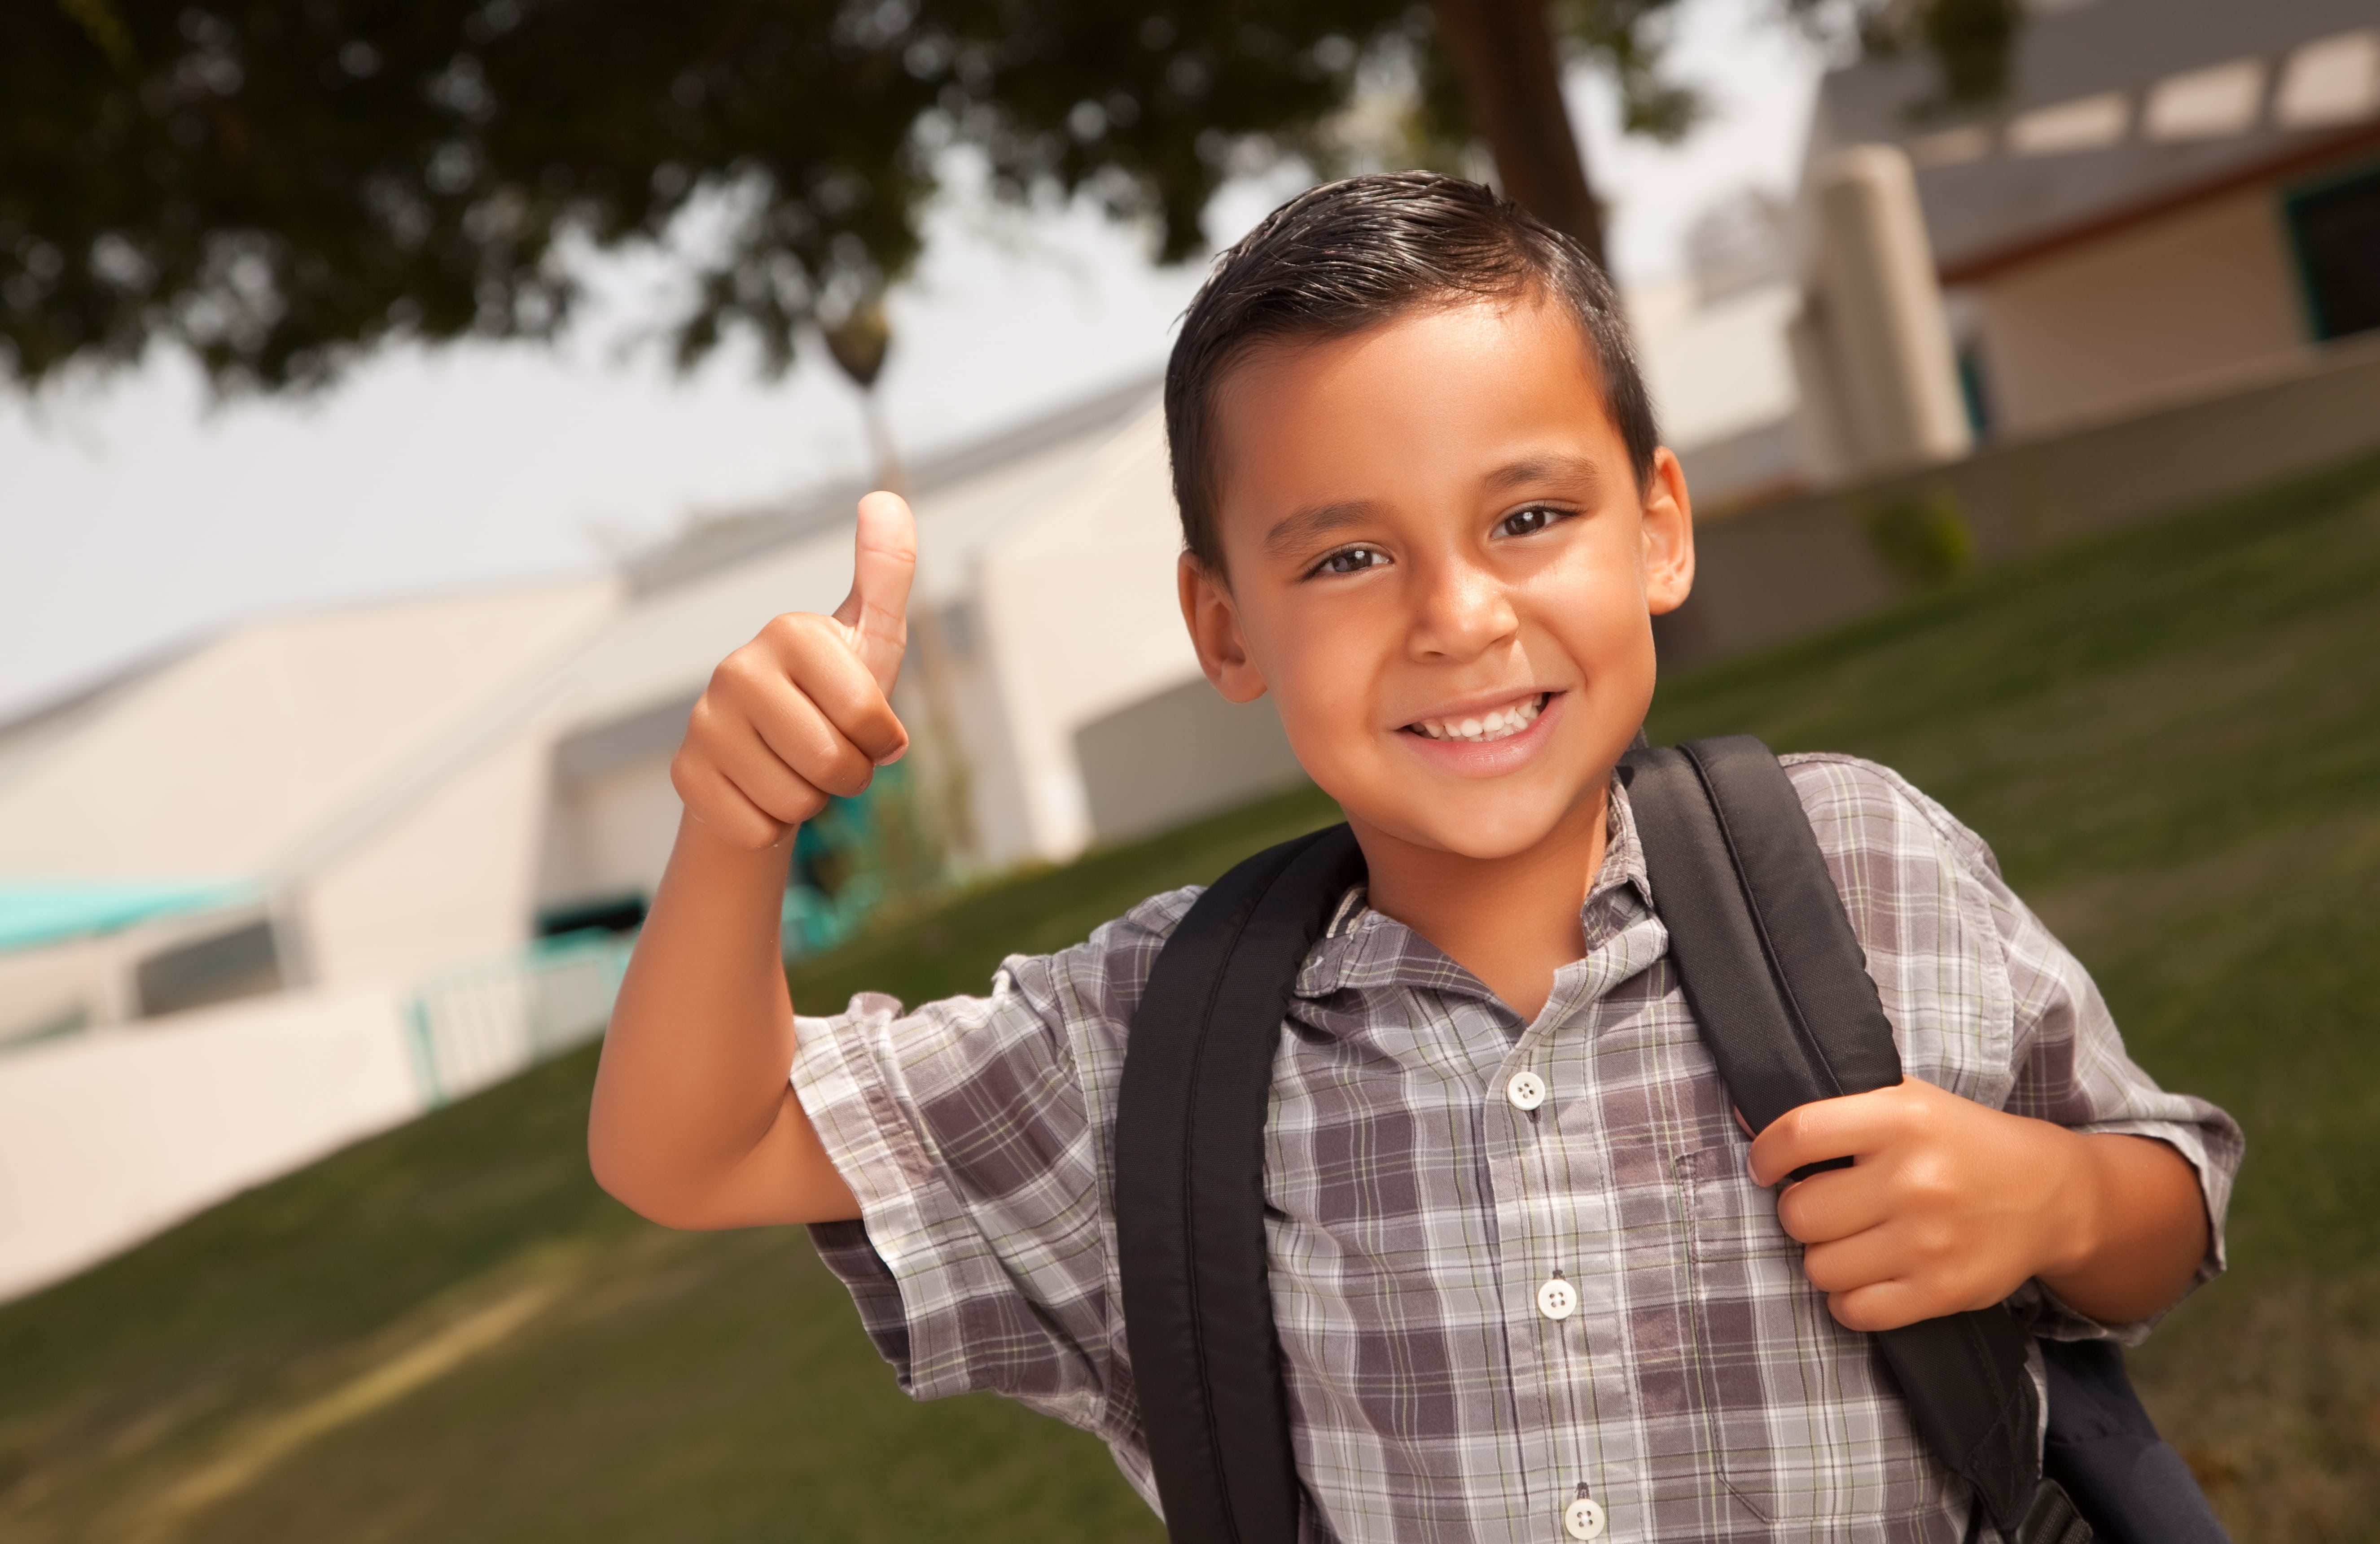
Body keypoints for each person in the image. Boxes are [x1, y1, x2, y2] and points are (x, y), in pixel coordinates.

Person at [587, 173, 2241, 1541]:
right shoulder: (1151, 1039)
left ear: (1657, 524)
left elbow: (2163, 1201)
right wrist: (738, 828)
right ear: (1223, 625)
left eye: (1529, 517)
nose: (1459, 618)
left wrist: (2053, 1194)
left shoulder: (1860, 865)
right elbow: (698, 1148)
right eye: (1352, 555)